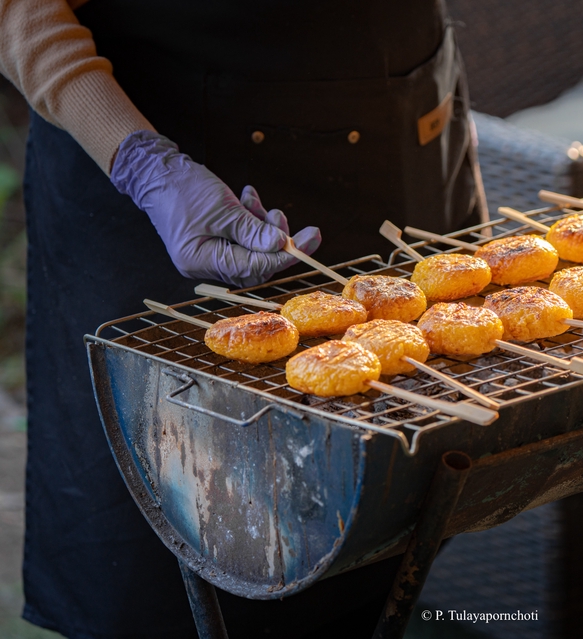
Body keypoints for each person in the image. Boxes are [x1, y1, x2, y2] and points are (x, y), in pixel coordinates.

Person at [0, 1, 485, 637]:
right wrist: (146, 165)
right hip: (159, 165)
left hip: (397, 116)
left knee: (382, 540)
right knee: (173, 547)